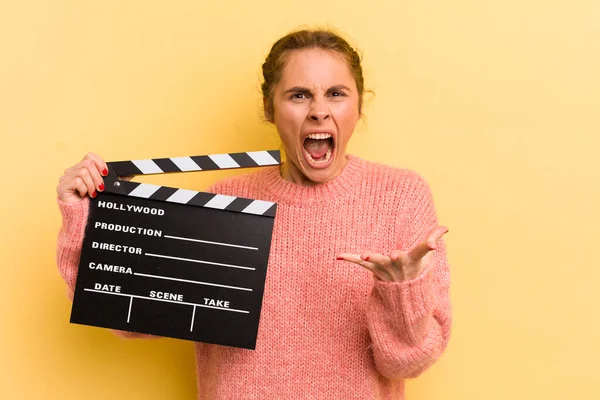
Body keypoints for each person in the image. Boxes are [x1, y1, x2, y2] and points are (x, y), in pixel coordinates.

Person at [56, 29, 451, 399]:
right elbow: (132, 322)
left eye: (336, 93)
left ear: (358, 104)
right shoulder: (226, 202)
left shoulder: (401, 196)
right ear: (270, 107)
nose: (318, 111)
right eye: (298, 95)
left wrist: (403, 293)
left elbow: (408, 363)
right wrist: (85, 217)